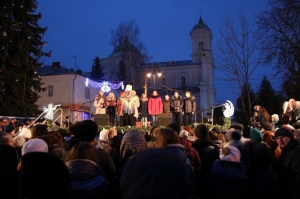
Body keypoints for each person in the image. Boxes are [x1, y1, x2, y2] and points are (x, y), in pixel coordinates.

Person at [274, 128, 300, 198]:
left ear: (290, 138)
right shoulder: (286, 150)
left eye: (283, 137)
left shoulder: (295, 153)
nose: (280, 140)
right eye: (277, 138)